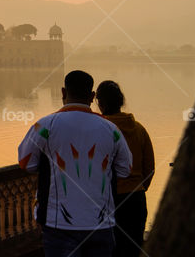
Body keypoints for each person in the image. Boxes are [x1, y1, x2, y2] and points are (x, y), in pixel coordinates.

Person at [18, 70, 133, 257]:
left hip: (58, 224)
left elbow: (26, 163)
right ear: (92, 96)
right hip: (101, 223)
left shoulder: (45, 126)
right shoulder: (112, 130)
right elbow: (125, 170)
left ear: (63, 92)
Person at [96, 80, 154, 257]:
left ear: (101, 103)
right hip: (136, 199)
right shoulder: (139, 129)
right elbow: (149, 168)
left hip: (107, 201)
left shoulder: (98, 130)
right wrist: (138, 187)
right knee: (132, 250)